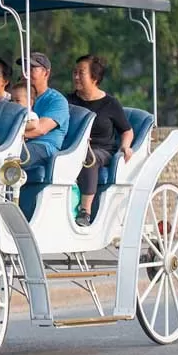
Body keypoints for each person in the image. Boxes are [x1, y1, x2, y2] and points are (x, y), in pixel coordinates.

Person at [67, 54, 133, 227]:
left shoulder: (110, 103)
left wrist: (125, 146)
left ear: (94, 77)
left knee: (89, 158)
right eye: (74, 72)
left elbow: (127, 131)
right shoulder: (69, 101)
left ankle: (85, 211)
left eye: (81, 73)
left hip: (101, 151)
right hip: (74, 147)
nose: (75, 77)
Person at [15, 52, 69, 168]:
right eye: (24, 69)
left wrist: (11, 137)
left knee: (10, 157)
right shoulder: (16, 97)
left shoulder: (57, 101)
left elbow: (39, 129)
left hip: (43, 147)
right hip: (21, 143)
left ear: (46, 73)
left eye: (31, 68)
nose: (26, 73)